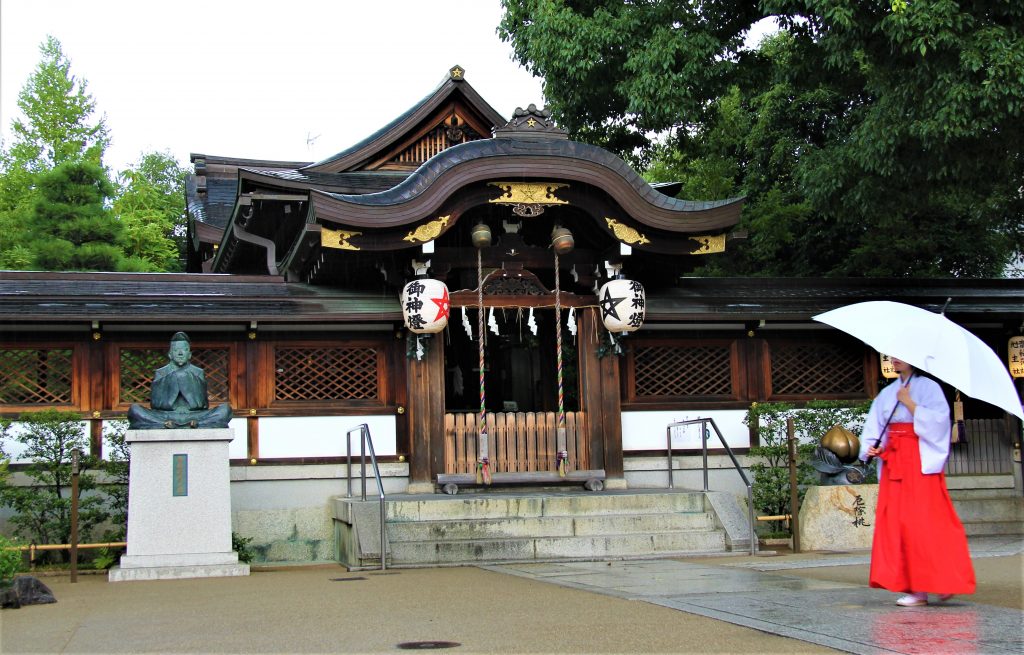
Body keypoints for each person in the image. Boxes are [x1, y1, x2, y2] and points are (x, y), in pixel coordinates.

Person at [859, 356, 975, 606]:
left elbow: (939, 423)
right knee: (898, 525)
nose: (895, 360)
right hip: (894, 462)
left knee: (925, 523)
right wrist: (871, 448)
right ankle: (917, 588)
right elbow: (875, 427)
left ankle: (939, 581)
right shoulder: (887, 393)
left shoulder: (929, 388)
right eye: (893, 356)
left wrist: (910, 404)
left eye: (901, 355)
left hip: (919, 462)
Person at [128, 332, 232, 429]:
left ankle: (199, 424)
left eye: (184, 350)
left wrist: (186, 378)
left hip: (194, 416)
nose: (180, 353)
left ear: (189, 354)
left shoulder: (198, 372)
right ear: (170, 354)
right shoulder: (161, 373)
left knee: (225, 409)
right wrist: (173, 378)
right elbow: (155, 404)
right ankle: (163, 424)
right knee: (134, 409)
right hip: (165, 416)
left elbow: (203, 404)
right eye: (176, 350)